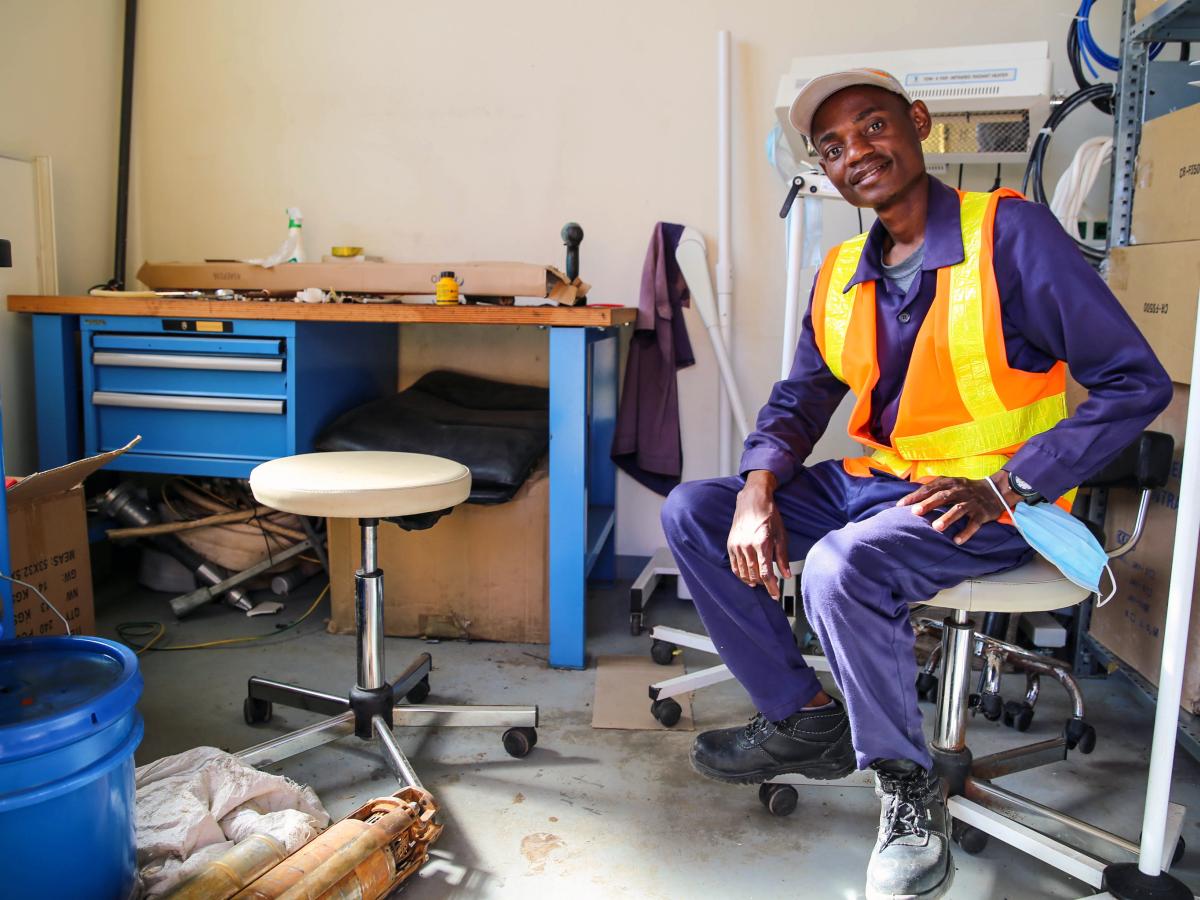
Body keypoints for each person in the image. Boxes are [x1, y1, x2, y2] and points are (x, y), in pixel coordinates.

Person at [660, 68, 1172, 900]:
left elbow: (1132, 382)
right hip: (880, 482)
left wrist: (1012, 486)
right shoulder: (837, 273)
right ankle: (808, 719)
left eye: (872, 127)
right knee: (696, 510)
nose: (856, 152)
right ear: (825, 171)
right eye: (834, 147)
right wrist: (755, 490)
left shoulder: (1011, 234)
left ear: (919, 123)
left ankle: (907, 789)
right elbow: (800, 398)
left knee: (840, 568)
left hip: (994, 498)